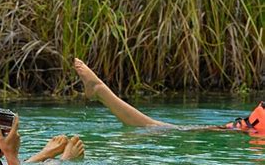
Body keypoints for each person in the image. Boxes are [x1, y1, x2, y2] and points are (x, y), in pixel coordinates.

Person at [73, 58, 265, 132]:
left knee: (164, 129)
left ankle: (101, 91)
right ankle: (100, 91)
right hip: (243, 132)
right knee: (166, 129)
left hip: (244, 134)